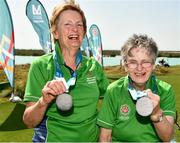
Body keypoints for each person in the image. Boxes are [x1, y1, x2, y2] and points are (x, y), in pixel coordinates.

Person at [23, 1, 109, 142]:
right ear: (55, 32)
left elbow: (111, 98)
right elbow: (29, 121)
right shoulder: (40, 66)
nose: (74, 29)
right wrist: (43, 102)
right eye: (67, 24)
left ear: (84, 32)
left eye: (79, 25)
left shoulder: (93, 66)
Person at [97, 34, 176, 142]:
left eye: (146, 62)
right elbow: (105, 137)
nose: (139, 68)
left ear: (153, 65)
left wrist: (156, 113)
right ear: (125, 65)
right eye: (133, 62)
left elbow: (168, 137)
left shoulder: (165, 90)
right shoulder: (113, 90)